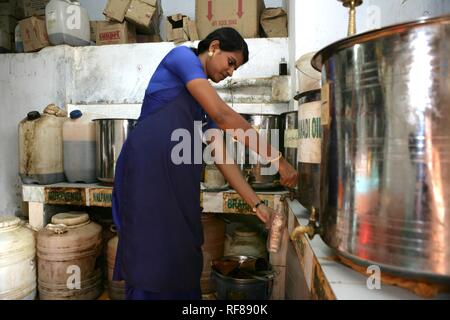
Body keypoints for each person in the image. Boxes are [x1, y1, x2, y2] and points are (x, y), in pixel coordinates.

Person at [112, 27, 298, 300]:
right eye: (231, 62)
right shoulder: (181, 58)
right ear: (213, 47)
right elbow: (223, 116)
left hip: (178, 183)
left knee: (184, 253)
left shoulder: (202, 104)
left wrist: (256, 205)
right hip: (147, 175)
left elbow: (222, 157)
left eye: (236, 68)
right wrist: (277, 160)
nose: (231, 72)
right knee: (151, 255)